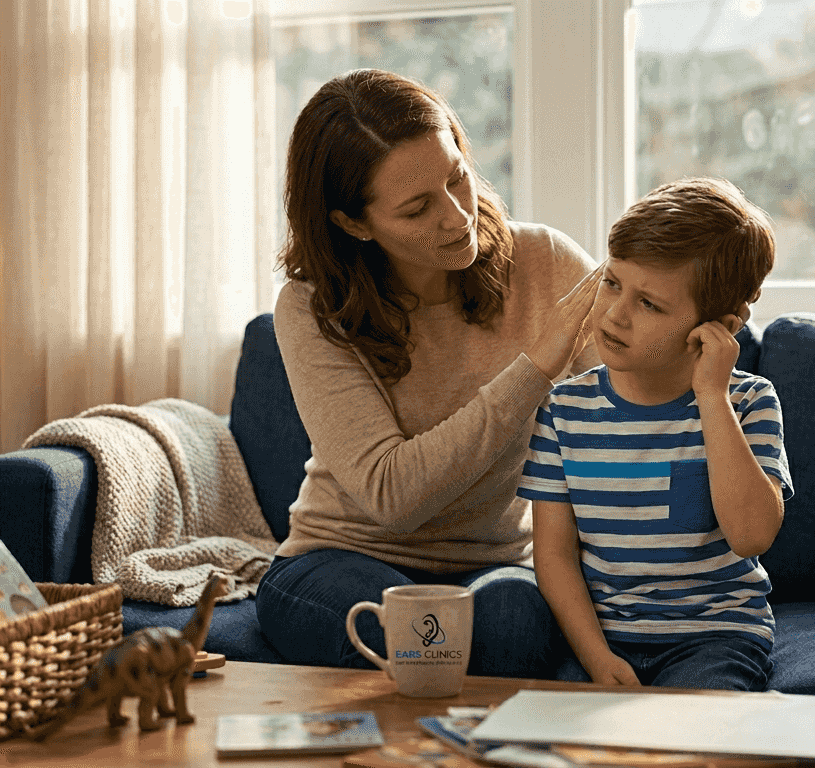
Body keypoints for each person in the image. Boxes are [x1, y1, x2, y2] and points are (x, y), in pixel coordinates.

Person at [255, 68, 607, 678]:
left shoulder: (543, 261)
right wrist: (537, 367)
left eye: (457, 178)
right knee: (404, 630)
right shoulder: (312, 307)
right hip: (342, 555)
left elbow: (634, 405)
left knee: (509, 624)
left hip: (496, 562)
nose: (456, 216)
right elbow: (393, 497)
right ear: (353, 224)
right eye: (418, 208)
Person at [518, 176, 793, 691]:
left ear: (717, 327)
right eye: (613, 282)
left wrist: (711, 397)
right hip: (599, 638)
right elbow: (552, 555)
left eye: (650, 304)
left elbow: (752, 535)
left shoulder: (748, 402)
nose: (615, 314)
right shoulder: (563, 408)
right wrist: (597, 657)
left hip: (715, 638)